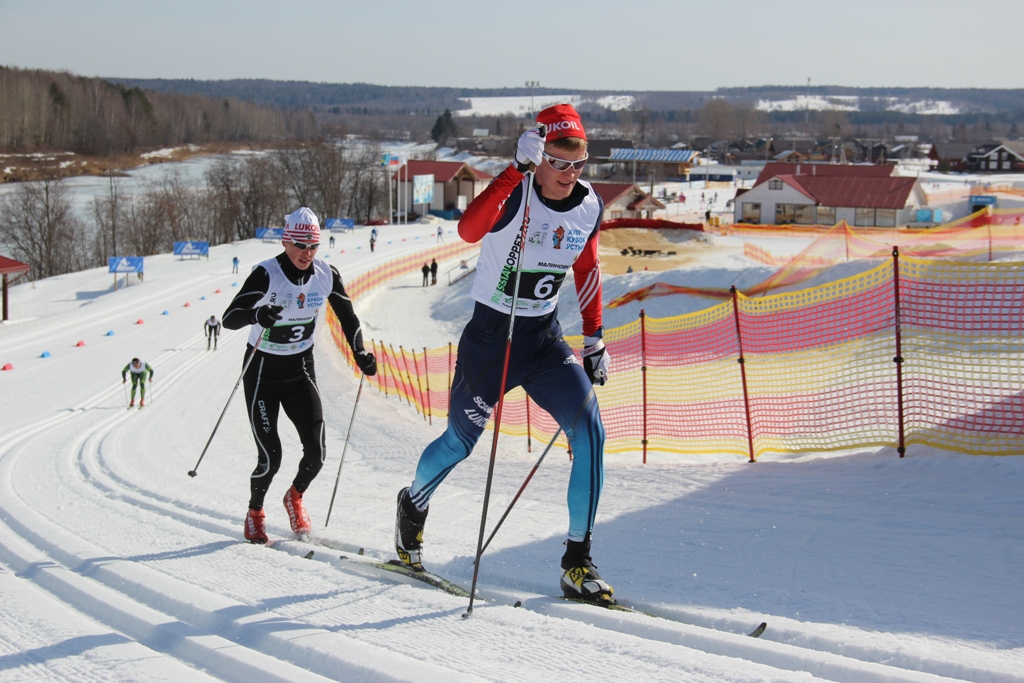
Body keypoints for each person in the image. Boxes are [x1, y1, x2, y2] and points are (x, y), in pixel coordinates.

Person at [394, 103, 614, 604]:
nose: (568, 175)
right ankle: (412, 506)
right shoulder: (517, 191)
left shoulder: (587, 205)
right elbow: (468, 231)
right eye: (558, 163)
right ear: (540, 155)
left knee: (590, 429)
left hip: (542, 340)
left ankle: (577, 562)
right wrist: (514, 170)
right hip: (492, 341)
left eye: (578, 164)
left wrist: (594, 338)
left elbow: (588, 268)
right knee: (459, 443)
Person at [222, 207, 378, 544]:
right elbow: (229, 318)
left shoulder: (326, 273)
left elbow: (348, 318)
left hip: (299, 369)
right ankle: (255, 512)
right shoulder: (266, 274)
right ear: (285, 240)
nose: (307, 253)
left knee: (317, 453)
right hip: (262, 371)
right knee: (271, 456)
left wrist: (360, 353)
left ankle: (294, 497)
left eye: (313, 245)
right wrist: (257, 314)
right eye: (300, 244)